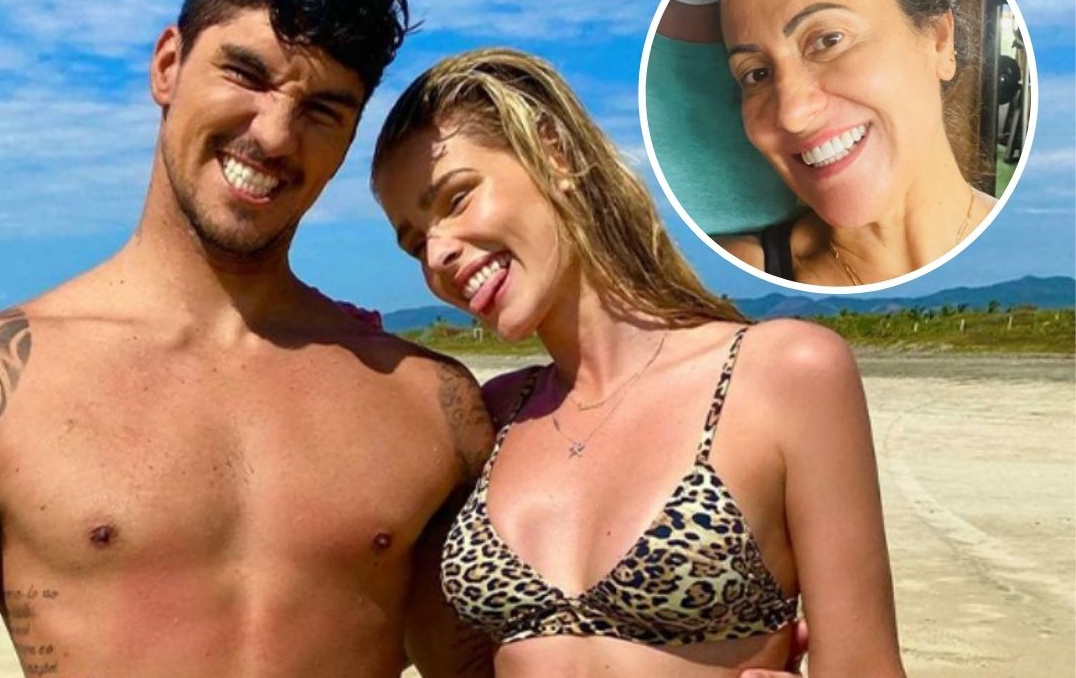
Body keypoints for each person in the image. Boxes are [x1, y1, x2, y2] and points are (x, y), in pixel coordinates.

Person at [0, 0, 493, 677]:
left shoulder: (430, 403)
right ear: (168, 65)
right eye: (245, 73)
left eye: (322, 110)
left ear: (349, 138)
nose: (274, 134)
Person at [372, 48, 906, 677]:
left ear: (553, 153)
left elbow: (866, 666)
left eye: (457, 198)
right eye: (415, 243)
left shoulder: (782, 373)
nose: (437, 255)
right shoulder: (490, 418)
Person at [713, 0, 997, 286]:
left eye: (829, 40)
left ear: (938, 39)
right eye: (756, 74)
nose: (791, 114)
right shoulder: (732, 274)